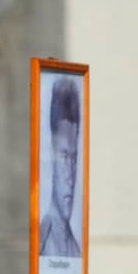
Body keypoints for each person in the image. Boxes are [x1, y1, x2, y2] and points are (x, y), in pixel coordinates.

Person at [38, 77, 81, 259]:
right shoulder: (41, 243)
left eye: (74, 159)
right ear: (51, 156)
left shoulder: (76, 251)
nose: (70, 178)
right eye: (64, 157)